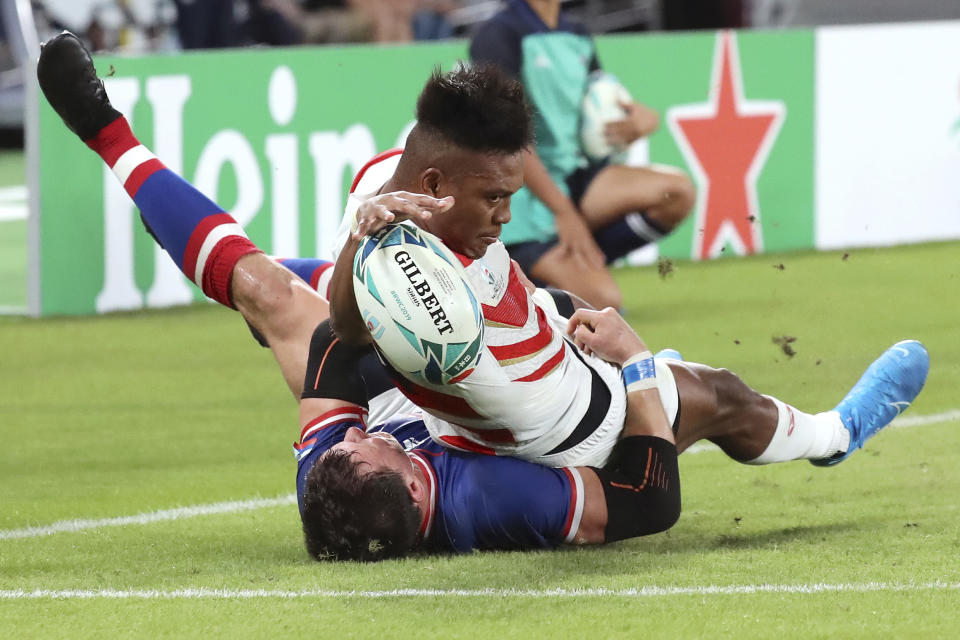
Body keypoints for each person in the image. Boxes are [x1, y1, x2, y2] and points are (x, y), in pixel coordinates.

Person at [38, 31, 930, 562]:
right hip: (559, 417)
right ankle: (835, 437)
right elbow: (651, 499)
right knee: (719, 398)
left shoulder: (388, 186)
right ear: (437, 182)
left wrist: (354, 248)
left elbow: (338, 344)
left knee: (266, 287)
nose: (508, 215)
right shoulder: (500, 429)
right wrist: (637, 361)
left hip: (447, 375)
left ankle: (107, 136)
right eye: (495, 199)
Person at [469, 0, 696, 310]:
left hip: (573, 178)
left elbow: (601, 98)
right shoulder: (497, 35)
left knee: (677, 193)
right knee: (604, 301)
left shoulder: (576, 31)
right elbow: (510, 141)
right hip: (521, 193)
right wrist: (564, 213)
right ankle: (529, 279)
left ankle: (581, 261)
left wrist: (642, 120)